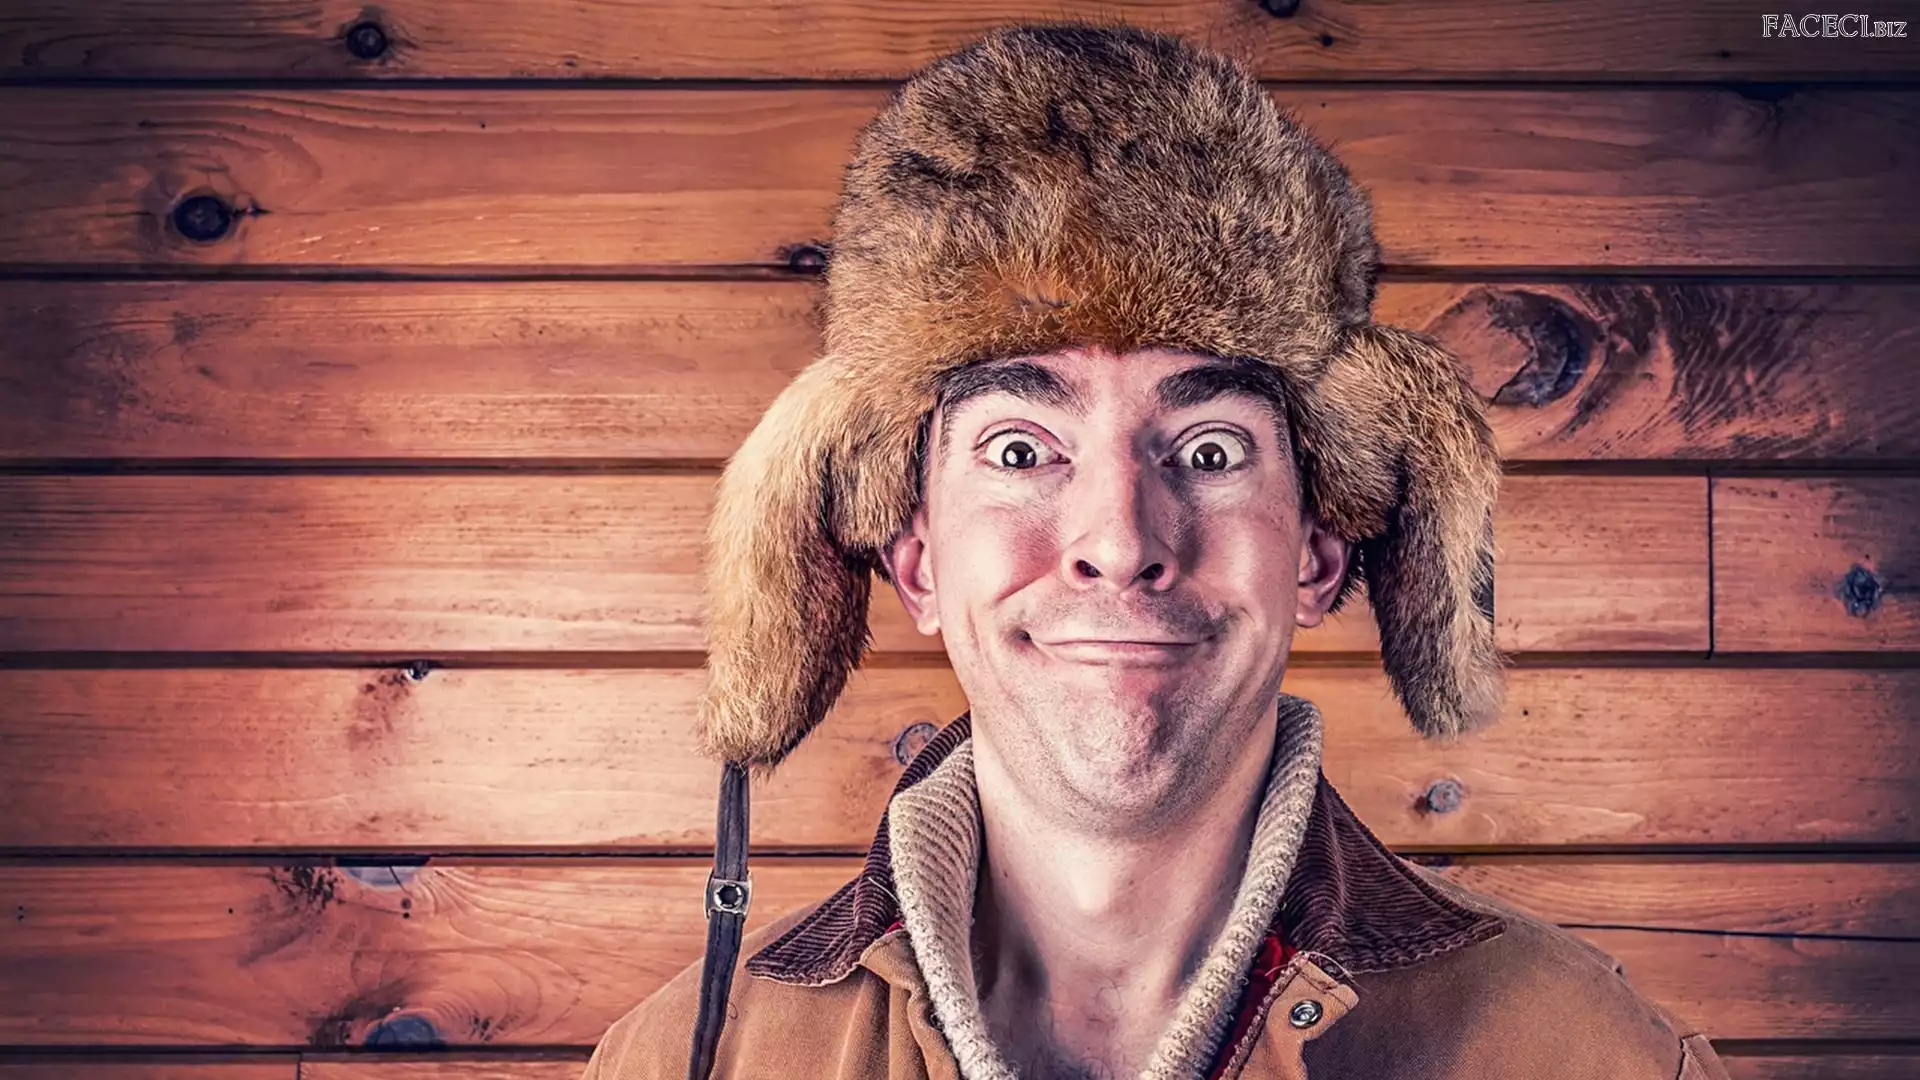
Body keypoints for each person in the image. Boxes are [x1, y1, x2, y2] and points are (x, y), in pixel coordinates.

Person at [581, 23, 1733, 1080]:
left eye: (1212, 450)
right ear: (918, 563)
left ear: (1319, 555)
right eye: (1022, 451)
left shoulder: (1596, 1058)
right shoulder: (680, 1065)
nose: (1121, 541)